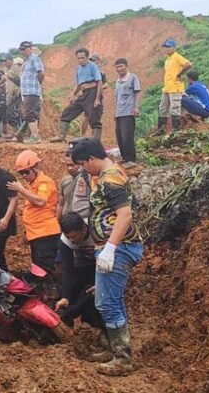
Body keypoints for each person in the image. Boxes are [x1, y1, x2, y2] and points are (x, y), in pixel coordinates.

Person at [70, 137, 142, 376]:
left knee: (107, 303)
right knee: (112, 301)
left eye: (83, 164)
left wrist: (110, 248)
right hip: (113, 246)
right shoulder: (108, 175)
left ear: (91, 158)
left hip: (119, 248)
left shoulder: (111, 179)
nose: (83, 168)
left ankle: (122, 358)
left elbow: (125, 214)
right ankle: (114, 349)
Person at [6, 150, 61, 276]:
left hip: (45, 233)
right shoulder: (33, 184)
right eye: (21, 173)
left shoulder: (44, 182)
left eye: (26, 172)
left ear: (36, 167)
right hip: (36, 233)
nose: (24, 176)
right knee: (38, 268)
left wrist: (21, 189)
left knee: (46, 269)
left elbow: (40, 201)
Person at [55, 212, 103, 335]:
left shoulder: (98, 231)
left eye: (74, 236)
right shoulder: (65, 241)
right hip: (82, 262)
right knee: (76, 291)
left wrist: (102, 283)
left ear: (83, 229)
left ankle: (104, 330)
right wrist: (65, 296)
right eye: (68, 237)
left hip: (102, 263)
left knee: (96, 296)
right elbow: (67, 268)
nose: (72, 240)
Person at [50, 48, 103, 143]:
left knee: (93, 115)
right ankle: (61, 135)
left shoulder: (93, 66)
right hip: (84, 93)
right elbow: (78, 84)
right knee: (68, 111)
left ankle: (96, 139)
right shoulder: (78, 68)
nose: (80, 60)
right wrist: (73, 95)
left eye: (82, 58)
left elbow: (99, 82)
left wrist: (97, 99)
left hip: (93, 92)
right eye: (78, 58)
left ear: (87, 57)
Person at [158, 39, 193, 133]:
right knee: (163, 108)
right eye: (166, 47)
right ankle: (161, 129)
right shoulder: (167, 59)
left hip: (175, 87)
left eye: (168, 47)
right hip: (167, 87)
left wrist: (179, 74)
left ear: (173, 48)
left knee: (175, 108)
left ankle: (176, 129)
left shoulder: (176, 56)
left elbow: (188, 64)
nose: (167, 49)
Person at [113, 58, 142, 169]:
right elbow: (117, 98)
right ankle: (125, 158)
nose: (119, 69)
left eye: (121, 66)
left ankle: (131, 159)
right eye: (117, 67)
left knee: (127, 136)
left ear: (126, 66)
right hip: (119, 113)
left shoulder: (132, 77)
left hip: (128, 112)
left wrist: (136, 107)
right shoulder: (118, 81)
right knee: (120, 136)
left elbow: (137, 93)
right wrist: (115, 112)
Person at [16, 41, 44, 144]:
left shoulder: (34, 58)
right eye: (21, 50)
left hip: (32, 90)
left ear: (30, 48)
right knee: (31, 113)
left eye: (24, 49)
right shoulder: (27, 61)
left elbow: (41, 73)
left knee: (28, 113)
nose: (23, 51)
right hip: (27, 91)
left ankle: (35, 136)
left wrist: (37, 84)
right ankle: (34, 135)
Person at [56, 152, 81, 220]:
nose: (69, 168)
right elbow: (61, 204)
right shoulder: (65, 181)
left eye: (72, 165)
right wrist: (57, 221)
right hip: (66, 221)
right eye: (67, 165)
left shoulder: (87, 181)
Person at [3, 56, 23, 135]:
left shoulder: (16, 68)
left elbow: (22, 79)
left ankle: (20, 133)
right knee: (11, 114)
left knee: (12, 114)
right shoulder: (7, 70)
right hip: (10, 95)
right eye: (3, 61)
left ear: (11, 60)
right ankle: (18, 133)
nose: (4, 63)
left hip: (16, 94)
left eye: (5, 60)